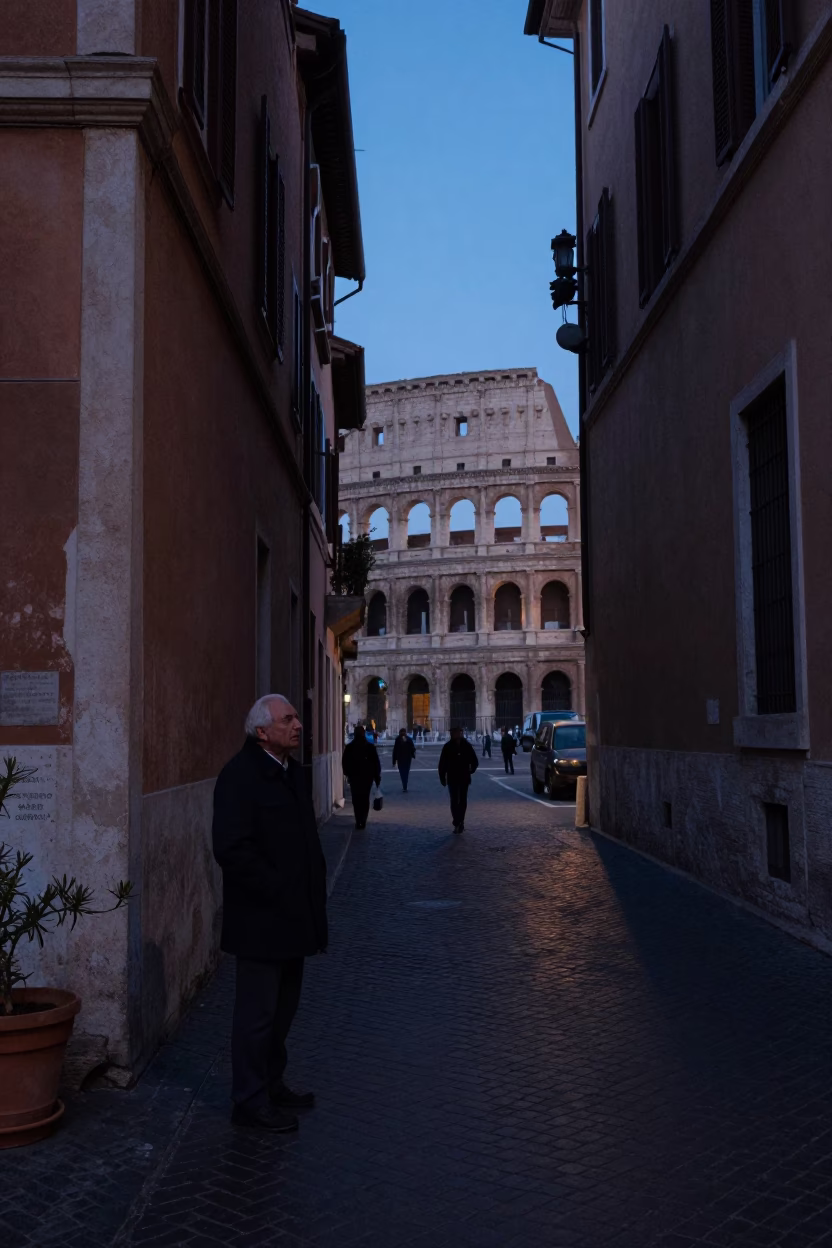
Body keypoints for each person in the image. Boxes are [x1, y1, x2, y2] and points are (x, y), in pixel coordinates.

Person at [212, 695, 327, 1134]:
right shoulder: (239, 777)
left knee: (283, 1012)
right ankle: (249, 1099)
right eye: (288, 719)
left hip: (295, 918)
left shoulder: (291, 773)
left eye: (296, 717)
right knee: (256, 1016)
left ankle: (272, 1084)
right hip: (261, 920)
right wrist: (276, 887)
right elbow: (231, 848)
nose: (298, 725)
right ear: (263, 732)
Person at [438, 725, 479, 833]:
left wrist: (472, 769)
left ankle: (461, 821)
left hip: (464, 777)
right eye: (453, 733)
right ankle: (457, 821)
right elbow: (442, 764)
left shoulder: (467, 746)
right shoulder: (447, 747)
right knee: (454, 800)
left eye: (456, 732)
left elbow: (474, 760)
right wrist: (442, 777)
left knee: (463, 800)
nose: (454, 734)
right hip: (452, 777)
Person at [342, 723, 381, 829]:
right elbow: (376, 763)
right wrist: (376, 776)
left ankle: (358, 819)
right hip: (367, 778)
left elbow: (345, 762)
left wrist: (348, 774)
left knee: (356, 799)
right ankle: (363, 819)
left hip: (354, 777)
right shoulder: (370, 747)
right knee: (364, 798)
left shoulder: (350, 747)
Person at [392, 727, 416, 792]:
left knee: (402, 772)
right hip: (408, 758)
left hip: (400, 759)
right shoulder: (409, 739)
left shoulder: (398, 739)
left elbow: (395, 750)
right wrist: (412, 754)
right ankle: (405, 784)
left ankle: (404, 784)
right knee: (406, 772)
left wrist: (394, 761)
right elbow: (413, 748)